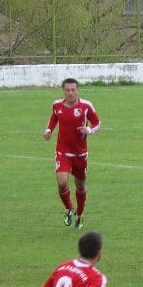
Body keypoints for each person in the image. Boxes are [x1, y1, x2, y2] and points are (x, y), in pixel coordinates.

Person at [43, 78, 101, 229]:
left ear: (78, 90)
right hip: (62, 152)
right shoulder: (57, 105)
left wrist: (89, 130)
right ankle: (69, 209)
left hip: (80, 154)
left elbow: (97, 124)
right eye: (67, 90)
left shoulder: (86, 106)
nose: (70, 93)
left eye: (73, 90)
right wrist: (48, 130)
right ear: (63, 91)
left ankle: (80, 214)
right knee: (62, 182)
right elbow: (54, 118)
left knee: (80, 187)